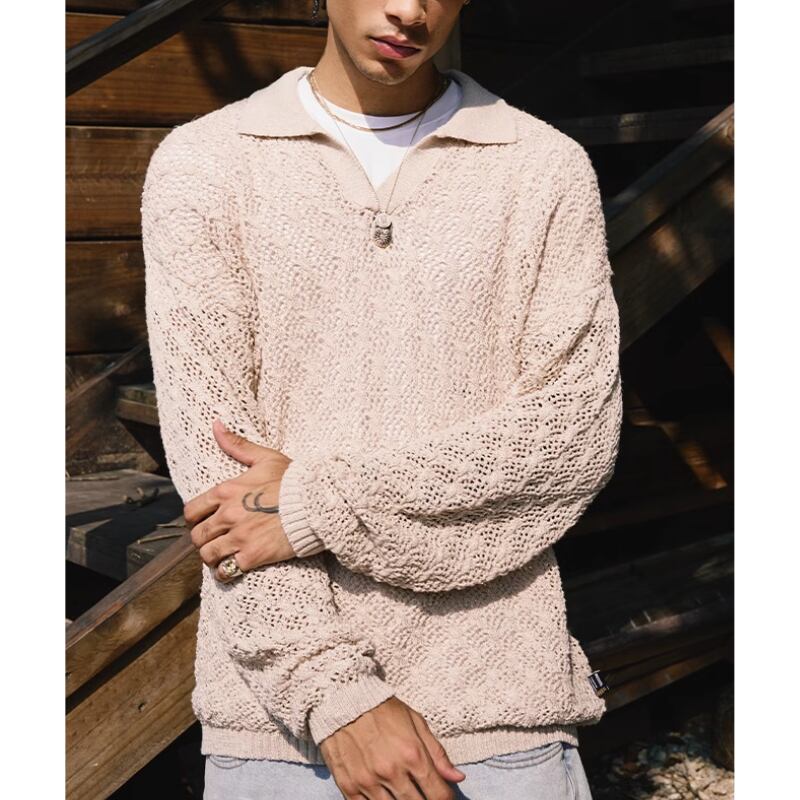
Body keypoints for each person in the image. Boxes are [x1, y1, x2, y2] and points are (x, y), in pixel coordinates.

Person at [140, 1, 623, 798]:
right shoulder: (206, 163)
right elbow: (216, 471)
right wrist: (335, 694)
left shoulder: (544, 168)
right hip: (282, 732)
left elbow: (573, 435)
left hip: (499, 720)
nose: (410, 9)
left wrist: (312, 504)